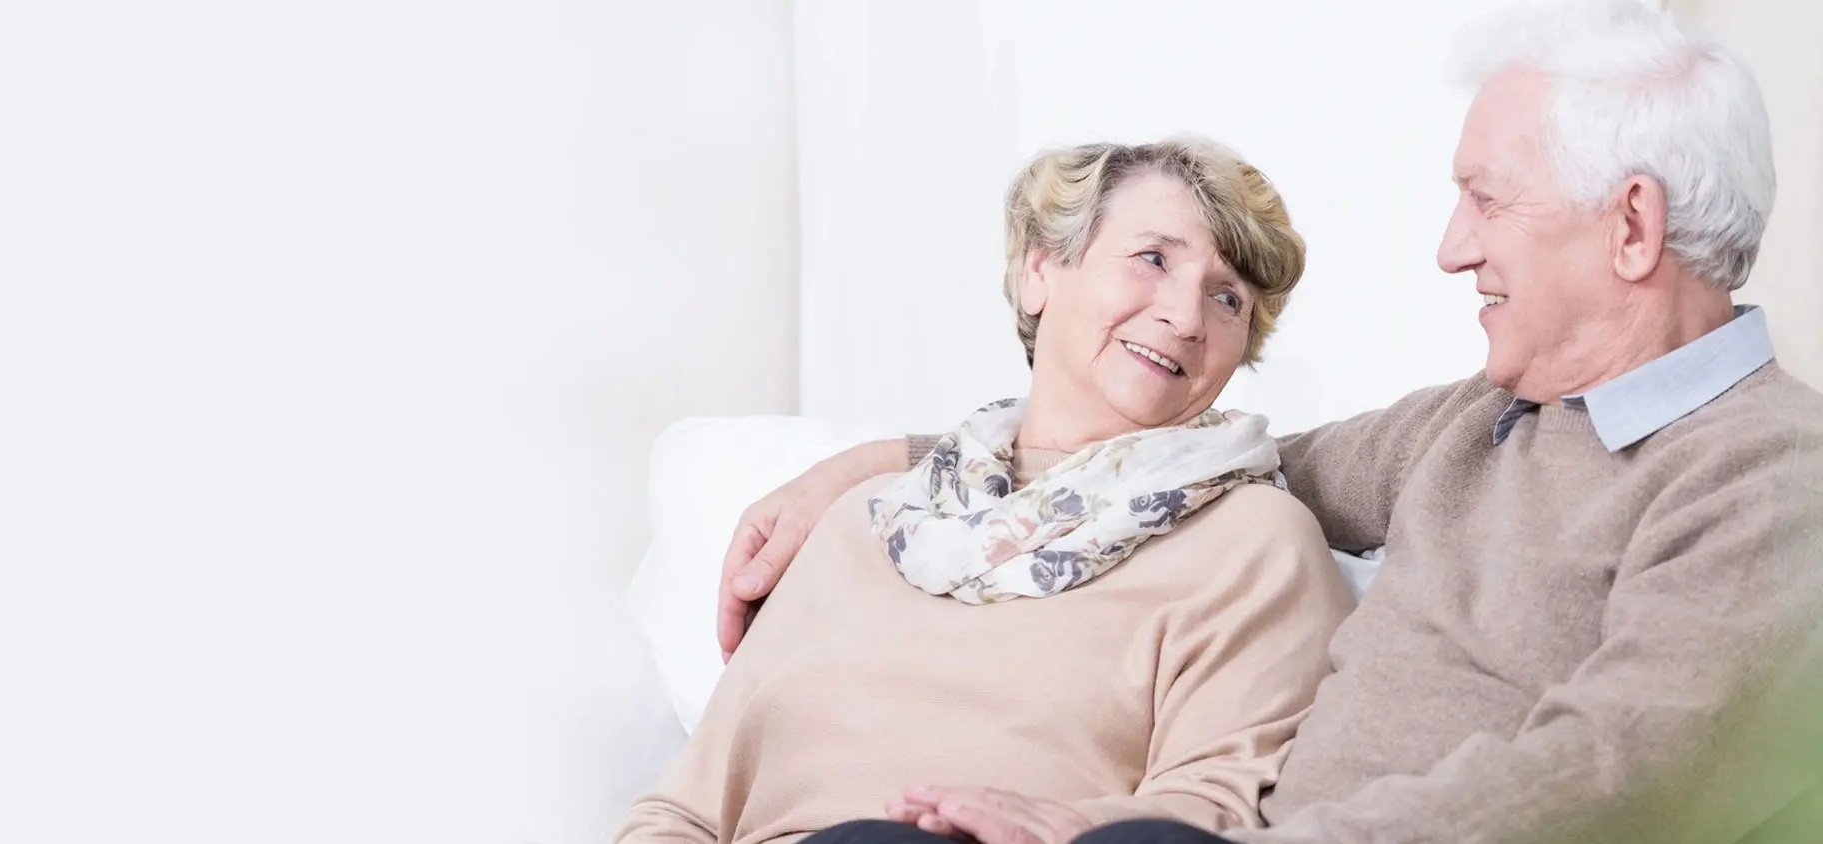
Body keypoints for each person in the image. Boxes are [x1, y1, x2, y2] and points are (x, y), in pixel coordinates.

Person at [714, 3, 1823, 843]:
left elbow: (1623, 775)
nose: (1453, 247)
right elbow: (1186, 464)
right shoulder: (1481, 425)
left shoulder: (1773, 480)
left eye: (1487, 198)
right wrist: (896, 463)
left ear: (1632, 226)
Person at [614, 137, 1357, 843]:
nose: (1185, 315)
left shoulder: (1251, 542)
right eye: (1153, 259)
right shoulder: (864, 520)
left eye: (1228, 298)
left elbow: (1213, 807)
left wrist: (1042, 825)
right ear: (1041, 271)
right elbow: (682, 810)